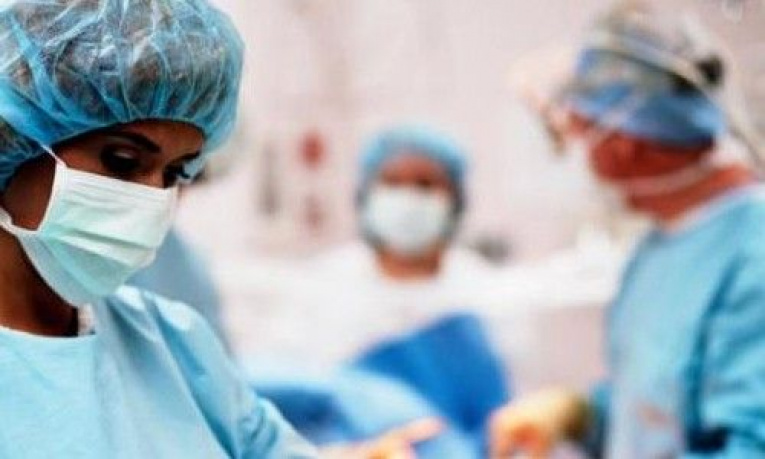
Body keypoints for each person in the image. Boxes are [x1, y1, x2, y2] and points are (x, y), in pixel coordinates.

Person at [0, 1, 315, 457]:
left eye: (175, 173)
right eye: (122, 160)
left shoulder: (173, 344)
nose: (152, 198)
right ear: (13, 138)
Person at [491, 2, 765, 458]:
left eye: (579, 133)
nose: (577, 157)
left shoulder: (752, 258)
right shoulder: (658, 247)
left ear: (624, 143)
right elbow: (656, 409)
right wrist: (583, 415)